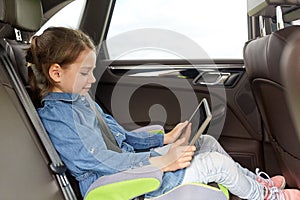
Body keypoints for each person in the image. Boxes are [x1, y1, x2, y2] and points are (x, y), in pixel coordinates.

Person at [26, 27, 300, 200]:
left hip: (128, 163)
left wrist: (163, 140)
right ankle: (267, 197)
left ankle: (254, 182)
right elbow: (98, 161)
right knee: (215, 165)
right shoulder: (57, 117)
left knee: (206, 143)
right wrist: (162, 163)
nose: (91, 79)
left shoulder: (80, 100)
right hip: (118, 183)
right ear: (56, 73)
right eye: (85, 72)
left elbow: (118, 135)